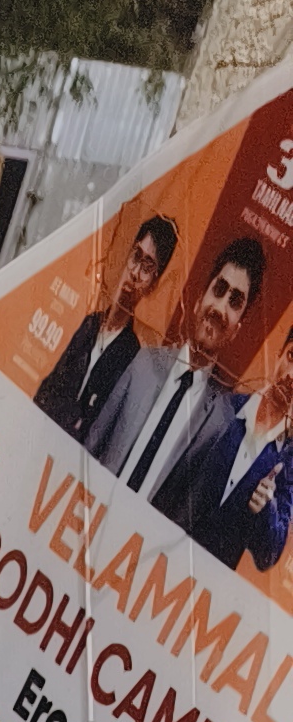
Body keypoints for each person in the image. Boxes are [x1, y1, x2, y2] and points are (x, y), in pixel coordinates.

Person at [128, 234, 269, 503]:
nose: (220, 307)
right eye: (219, 289)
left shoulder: (221, 423)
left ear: (236, 331)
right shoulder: (143, 363)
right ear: (198, 301)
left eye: (235, 302)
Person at [39, 208, 176, 449]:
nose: (135, 273)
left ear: (153, 284)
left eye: (147, 267)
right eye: (136, 256)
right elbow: (48, 389)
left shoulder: (132, 356)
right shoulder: (90, 323)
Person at [175, 330, 293, 572]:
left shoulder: (288, 461)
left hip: (208, 582)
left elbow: (268, 557)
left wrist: (266, 509)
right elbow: (173, 478)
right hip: (161, 547)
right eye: (292, 357)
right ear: (278, 355)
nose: (291, 375)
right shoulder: (225, 406)